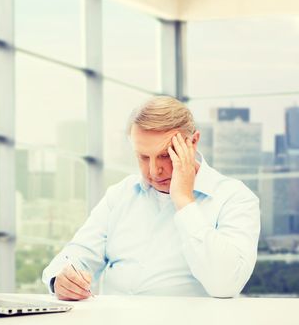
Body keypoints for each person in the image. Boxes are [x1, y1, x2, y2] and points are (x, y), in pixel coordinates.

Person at [42, 96, 260, 300]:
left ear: (193, 142)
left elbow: (225, 285)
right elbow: (78, 254)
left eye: (166, 155)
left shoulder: (234, 198)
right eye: (144, 157)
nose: (155, 170)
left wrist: (184, 200)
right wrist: (61, 280)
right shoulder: (120, 194)